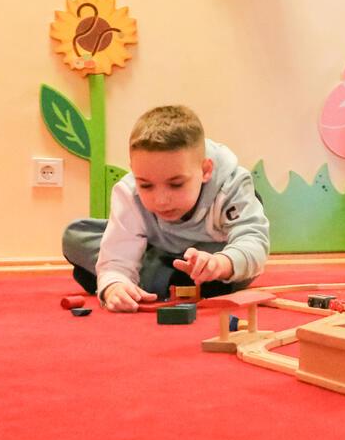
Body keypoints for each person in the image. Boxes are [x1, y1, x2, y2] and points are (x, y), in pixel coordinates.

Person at [61, 105, 270, 312]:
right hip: (157, 250)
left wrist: (221, 264)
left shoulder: (231, 186)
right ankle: (162, 277)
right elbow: (117, 251)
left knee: (243, 263)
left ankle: (158, 277)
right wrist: (115, 284)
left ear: (205, 170)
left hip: (212, 255)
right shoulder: (129, 192)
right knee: (76, 235)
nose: (161, 201)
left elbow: (254, 242)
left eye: (176, 184)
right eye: (146, 185)